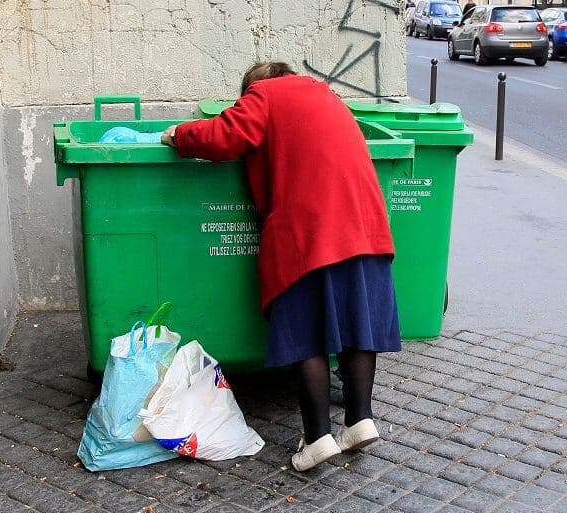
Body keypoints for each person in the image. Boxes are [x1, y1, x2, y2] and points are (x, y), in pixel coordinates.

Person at [161, 62, 401, 472]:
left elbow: (225, 135)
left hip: (309, 230)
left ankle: (318, 437)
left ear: (255, 87)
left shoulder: (266, 94)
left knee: (305, 332)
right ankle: (360, 419)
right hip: (363, 224)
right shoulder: (326, 95)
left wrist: (177, 134)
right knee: (359, 324)